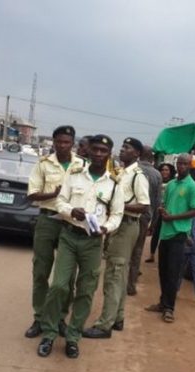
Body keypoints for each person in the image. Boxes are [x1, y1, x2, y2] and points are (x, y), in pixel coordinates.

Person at [37, 134, 124, 359]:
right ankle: (49, 333)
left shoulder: (114, 185)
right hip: (69, 235)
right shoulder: (74, 176)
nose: (98, 154)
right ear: (89, 151)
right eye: (95, 149)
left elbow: (117, 215)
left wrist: (105, 228)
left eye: (103, 151)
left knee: (86, 291)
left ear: (108, 155)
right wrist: (70, 211)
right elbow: (60, 201)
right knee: (59, 286)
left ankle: (73, 337)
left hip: (93, 242)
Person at [83, 137, 150, 339]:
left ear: (137, 154)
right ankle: (118, 317)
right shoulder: (121, 173)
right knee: (118, 275)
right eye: (122, 147)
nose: (122, 150)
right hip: (118, 226)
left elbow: (144, 205)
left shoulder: (138, 176)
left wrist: (117, 205)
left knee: (114, 275)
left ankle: (104, 325)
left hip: (127, 226)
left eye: (127, 148)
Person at [24, 126, 85, 339]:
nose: (62, 145)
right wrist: (52, 194)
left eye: (67, 142)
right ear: (53, 142)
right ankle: (39, 317)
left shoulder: (81, 165)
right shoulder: (43, 164)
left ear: (73, 143)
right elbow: (31, 195)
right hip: (47, 220)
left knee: (66, 277)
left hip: (70, 223)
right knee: (41, 271)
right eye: (59, 142)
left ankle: (59, 317)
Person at [145, 154, 195, 323]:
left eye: (185, 163)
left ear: (189, 166)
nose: (181, 166)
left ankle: (170, 308)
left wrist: (173, 217)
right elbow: (165, 204)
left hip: (179, 234)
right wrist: (162, 211)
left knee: (173, 273)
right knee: (163, 271)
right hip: (165, 233)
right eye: (179, 163)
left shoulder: (192, 186)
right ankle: (162, 303)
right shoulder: (170, 184)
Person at [127, 145, 162, 296]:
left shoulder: (132, 170)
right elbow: (156, 201)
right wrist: (153, 223)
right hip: (145, 216)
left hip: (128, 213)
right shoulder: (157, 174)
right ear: (152, 158)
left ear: (139, 155)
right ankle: (131, 284)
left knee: (124, 248)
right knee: (137, 250)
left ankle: (120, 280)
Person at [146, 163, 176, 263]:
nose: (164, 172)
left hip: (168, 212)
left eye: (167, 170)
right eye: (162, 170)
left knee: (166, 234)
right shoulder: (157, 181)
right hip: (157, 210)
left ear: (170, 171)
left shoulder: (173, 183)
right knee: (156, 232)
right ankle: (152, 255)